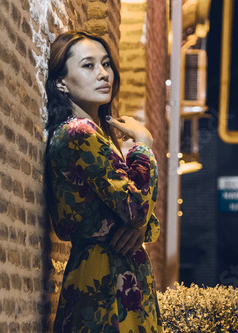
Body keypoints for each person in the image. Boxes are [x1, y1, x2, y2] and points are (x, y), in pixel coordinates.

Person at [43, 30, 163, 332]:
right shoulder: (79, 132)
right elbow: (137, 207)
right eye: (88, 65)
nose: (103, 74)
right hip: (105, 277)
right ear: (61, 82)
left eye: (106, 64)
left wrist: (139, 224)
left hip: (113, 271)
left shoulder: (96, 136)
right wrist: (144, 145)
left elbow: (142, 218)